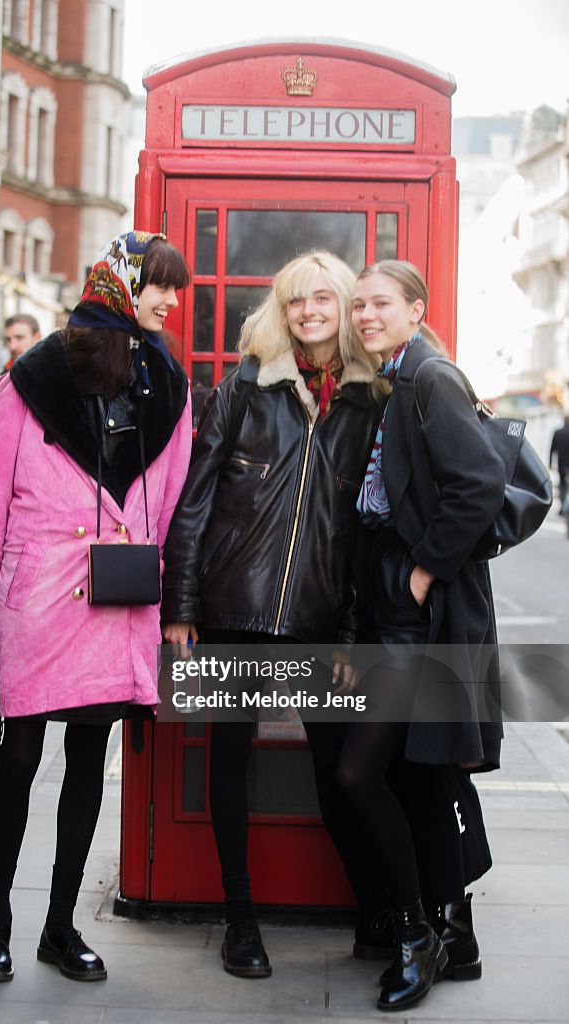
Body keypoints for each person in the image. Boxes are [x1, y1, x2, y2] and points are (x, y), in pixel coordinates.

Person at [0, 231, 192, 984]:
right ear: (120, 283)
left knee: (89, 760)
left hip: (116, 602)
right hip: (40, 596)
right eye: (160, 286)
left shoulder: (168, 384)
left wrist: (170, 594)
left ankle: (58, 926)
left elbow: (172, 505)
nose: (172, 301)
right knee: (18, 760)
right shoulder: (34, 377)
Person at [161, 250, 386, 978]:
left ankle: (381, 911)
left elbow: (363, 532)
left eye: (323, 298)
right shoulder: (244, 388)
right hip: (234, 607)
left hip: (320, 616)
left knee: (338, 769)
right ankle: (239, 919)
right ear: (280, 312)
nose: (309, 311)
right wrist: (181, 606)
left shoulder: (367, 402)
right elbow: (194, 500)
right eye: (296, 301)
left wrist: (352, 629)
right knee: (228, 762)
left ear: (344, 306)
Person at [328, 259, 507, 1012]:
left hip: (417, 615)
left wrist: (425, 571)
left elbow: (478, 485)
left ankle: (412, 934)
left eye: (380, 304)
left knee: (357, 775)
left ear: (414, 309)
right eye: (358, 305)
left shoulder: (429, 376)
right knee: (419, 775)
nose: (366, 316)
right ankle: (452, 929)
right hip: (389, 609)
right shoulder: (396, 379)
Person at [549, 415, 569, 515]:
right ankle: (566, 506)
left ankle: (563, 506)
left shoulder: (558, 432)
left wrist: (550, 462)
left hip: (561, 463)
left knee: (563, 485)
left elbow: (552, 449)